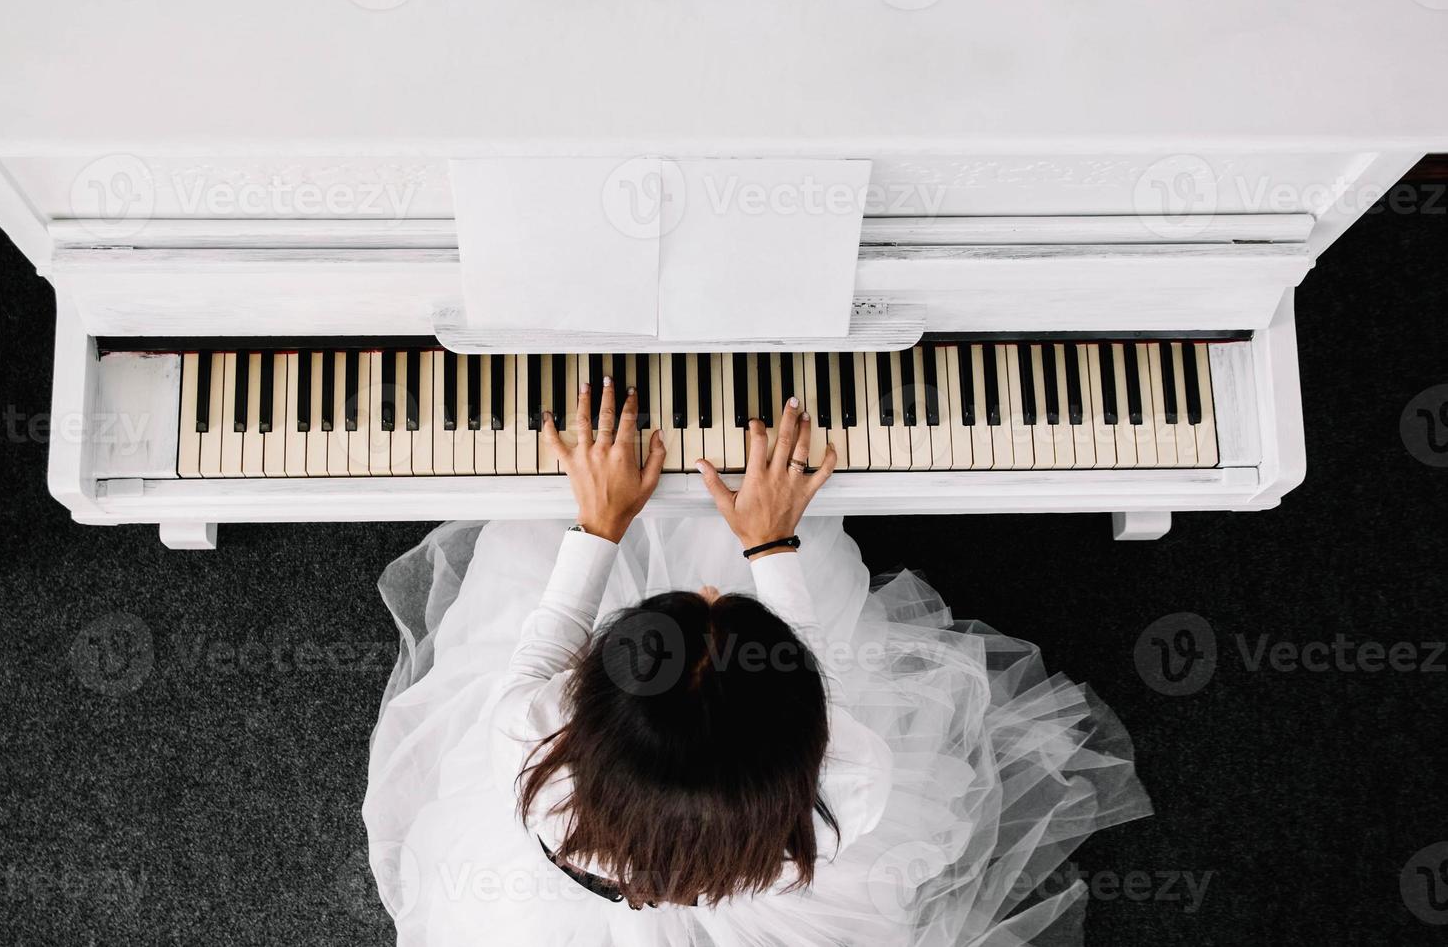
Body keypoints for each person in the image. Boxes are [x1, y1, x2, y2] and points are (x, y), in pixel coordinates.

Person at [364, 378, 1151, 946]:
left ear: (587, 700)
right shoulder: (848, 788)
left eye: (697, 605)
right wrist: (771, 542)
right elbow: (822, 662)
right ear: (802, 732)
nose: (709, 586)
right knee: (783, 552)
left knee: (532, 542)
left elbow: (548, 631)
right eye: (723, 603)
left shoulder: (531, 744)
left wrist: (599, 522)